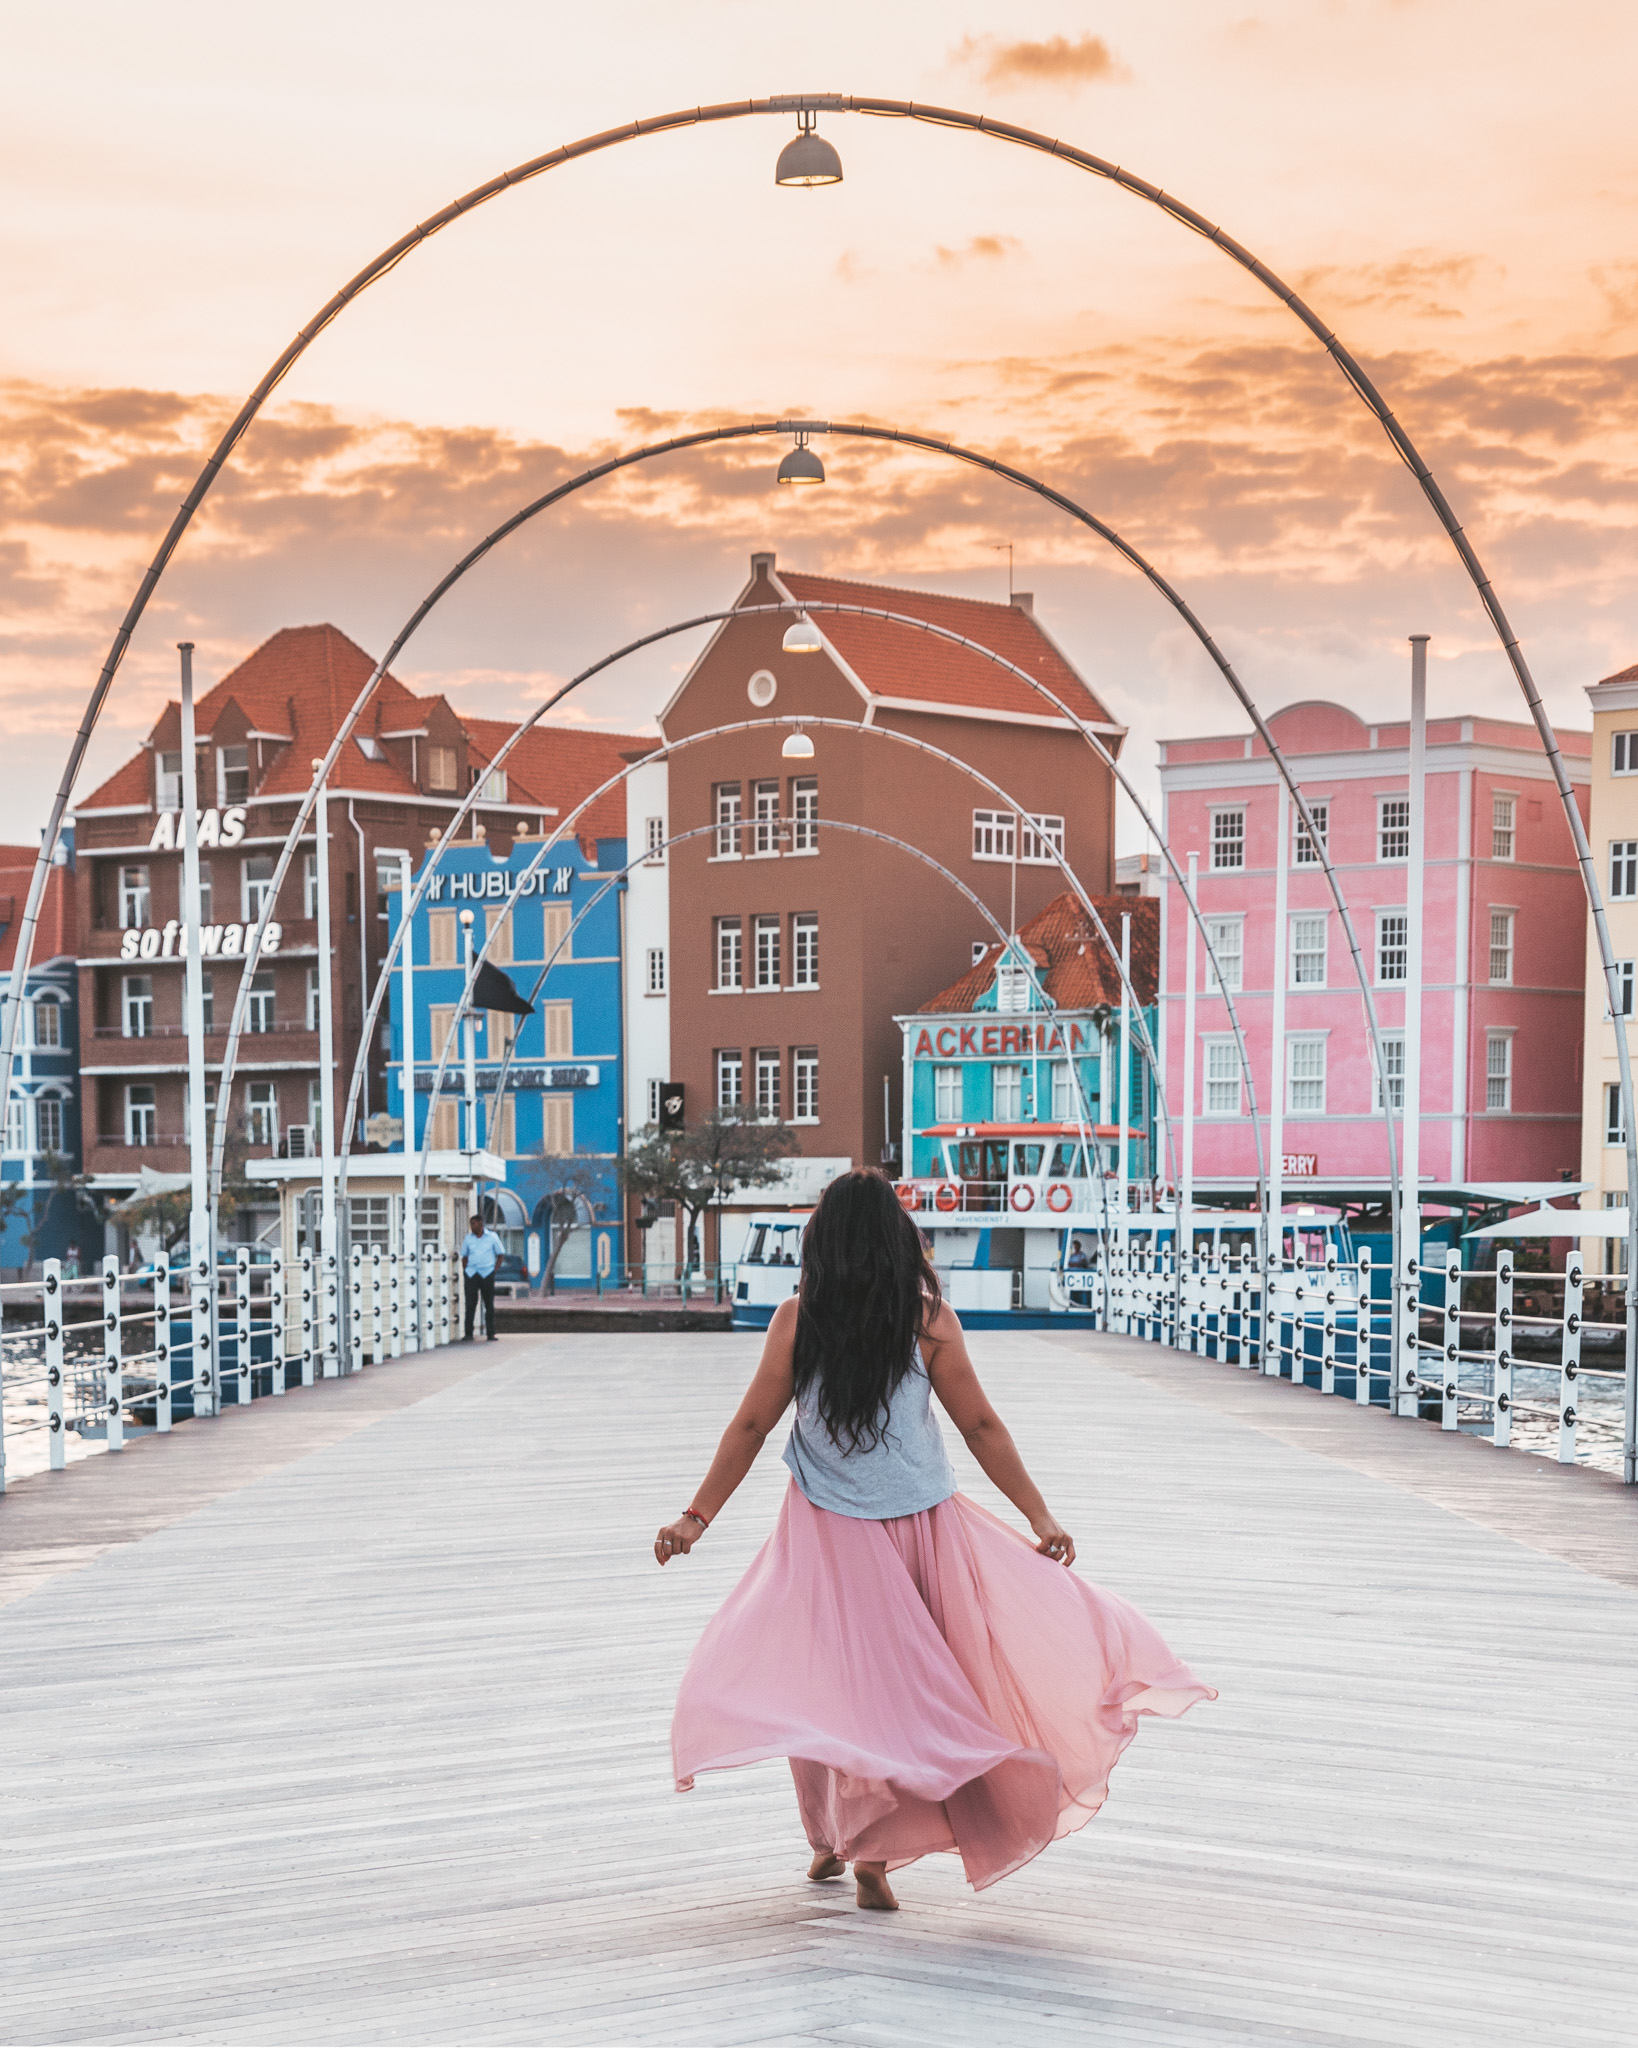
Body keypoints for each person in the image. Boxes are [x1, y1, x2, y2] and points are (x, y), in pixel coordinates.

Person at [655, 1168, 1213, 1912]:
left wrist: (695, 1518)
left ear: (822, 1241)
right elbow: (980, 1425)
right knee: (908, 1689)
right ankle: (867, 1851)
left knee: (828, 1684)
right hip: (922, 1528)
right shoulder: (927, 1319)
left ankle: (838, 1838)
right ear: (897, 1241)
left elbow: (753, 1426)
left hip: (825, 1534)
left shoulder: (799, 1317)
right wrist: (1039, 1516)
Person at [460, 1211, 504, 1341]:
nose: (472, 1226)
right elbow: (464, 1256)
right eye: (471, 1224)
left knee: (489, 1304)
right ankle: (468, 1333)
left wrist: (494, 1270)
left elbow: (500, 1254)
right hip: (472, 1273)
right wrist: (466, 1271)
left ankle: (490, 1333)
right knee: (470, 1304)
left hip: (487, 1273)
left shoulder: (492, 1237)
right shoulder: (468, 1238)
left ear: (480, 1224)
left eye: (473, 1224)